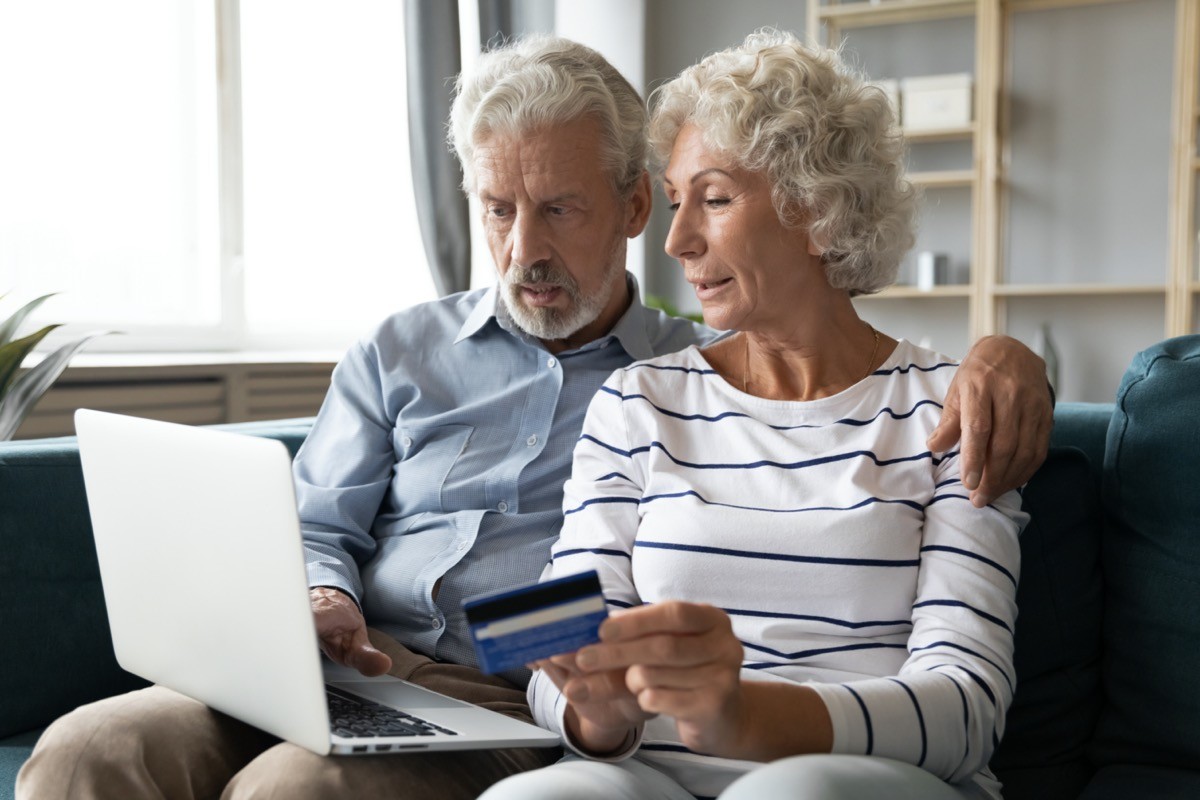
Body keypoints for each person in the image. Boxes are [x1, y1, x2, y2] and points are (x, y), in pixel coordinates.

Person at [18, 34, 1046, 800]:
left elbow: (833, 378)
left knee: (292, 791)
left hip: (496, 698)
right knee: (84, 751)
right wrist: (322, 597)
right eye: (499, 211)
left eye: (559, 208)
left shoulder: (691, 374)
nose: (523, 250)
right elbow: (321, 524)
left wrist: (1007, 357)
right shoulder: (434, 356)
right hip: (348, 661)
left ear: (628, 206)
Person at [480, 30, 1026, 800]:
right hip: (647, 776)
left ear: (818, 208)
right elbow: (557, 644)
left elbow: (968, 707)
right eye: (675, 203)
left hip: (864, 780)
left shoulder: (951, 409)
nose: (676, 239)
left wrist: (746, 717)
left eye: (714, 198)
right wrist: (592, 710)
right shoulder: (638, 403)